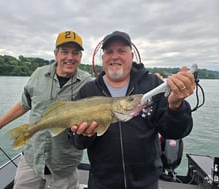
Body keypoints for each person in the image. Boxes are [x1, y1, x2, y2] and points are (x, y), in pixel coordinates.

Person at [69, 31, 196, 189]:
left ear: (131, 56)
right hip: (101, 183)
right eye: (109, 52)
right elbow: (76, 141)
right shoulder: (87, 91)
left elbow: (175, 132)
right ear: (103, 58)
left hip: (146, 184)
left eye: (121, 51)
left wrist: (176, 106)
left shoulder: (153, 85)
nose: (115, 56)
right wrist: (84, 135)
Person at [0, 30, 92, 189]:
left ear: (80, 57)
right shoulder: (38, 74)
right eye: (64, 52)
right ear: (55, 54)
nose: (69, 57)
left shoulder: (88, 83)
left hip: (64, 164)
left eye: (75, 53)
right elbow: (24, 104)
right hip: (32, 158)